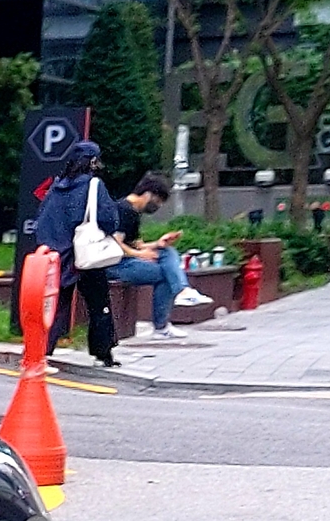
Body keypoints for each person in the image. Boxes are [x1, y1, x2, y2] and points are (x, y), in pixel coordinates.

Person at [32, 139, 120, 367]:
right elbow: (109, 220)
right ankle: (103, 353)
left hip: (56, 257)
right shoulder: (94, 186)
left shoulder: (55, 187)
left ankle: (41, 349)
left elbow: (42, 222)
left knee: (55, 304)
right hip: (85, 255)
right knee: (99, 303)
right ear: (92, 161)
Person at [111, 170, 210, 339]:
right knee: (165, 274)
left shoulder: (134, 212)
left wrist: (158, 244)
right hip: (115, 265)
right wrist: (140, 254)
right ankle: (162, 325)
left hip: (126, 260)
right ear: (148, 194)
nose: (158, 206)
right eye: (158, 201)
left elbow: (136, 243)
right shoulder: (123, 210)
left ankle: (183, 291)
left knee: (167, 251)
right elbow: (114, 244)